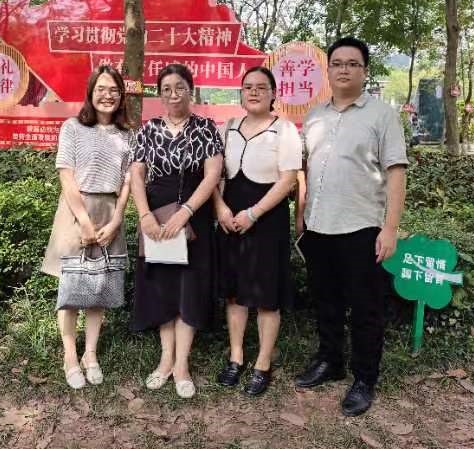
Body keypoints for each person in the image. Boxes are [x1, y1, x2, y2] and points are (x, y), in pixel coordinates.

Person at [295, 36, 408, 416]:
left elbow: (396, 172)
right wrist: (300, 216)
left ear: (364, 70)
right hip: (318, 227)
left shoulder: (382, 115)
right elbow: (304, 170)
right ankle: (330, 360)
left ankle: (364, 378)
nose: (344, 69)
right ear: (328, 70)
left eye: (352, 63)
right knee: (325, 301)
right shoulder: (315, 116)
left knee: (365, 309)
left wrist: (390, 228)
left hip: (361, 227)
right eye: (337, 63)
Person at [130, 63, 224, 399]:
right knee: (164, 288)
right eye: (166, 89)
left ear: (190, 90)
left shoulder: (206, 128)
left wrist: (186, 212)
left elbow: (213, 175)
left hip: (193, 216)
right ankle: (165, 359)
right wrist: (144, 215)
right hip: (157, 217)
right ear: (160, 94)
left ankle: (182, 364)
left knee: (189, 289)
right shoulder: (148, 129)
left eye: (180, 87)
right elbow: (136, 174)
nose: (174, 94)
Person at [40, 65, 132, 390]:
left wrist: (117, 219)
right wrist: (83, 219)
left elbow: (127, 182)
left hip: (109, 211)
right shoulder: (73, 127)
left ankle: (90, 354)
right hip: (75, 210)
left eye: (114, 90)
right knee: (70, 288)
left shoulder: (127, 135)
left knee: (99, 287)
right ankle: (69, 355)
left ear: (121, 96)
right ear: (91, 93)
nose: (107, 96)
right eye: (101, 89)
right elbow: (66, 175)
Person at [213, 66, 302, 396]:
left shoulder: (285, 130)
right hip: (230, 219)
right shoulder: (227, 128)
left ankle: (263, 363)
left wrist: (253, 213)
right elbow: (214, 176)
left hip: (267, 221)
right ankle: (236, 356)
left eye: (261, 87)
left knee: (267, 296)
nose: (253, 92)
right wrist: (220, 208)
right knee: (234, 292)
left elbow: (288, 179)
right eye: (247, 86)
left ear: (273, 94)